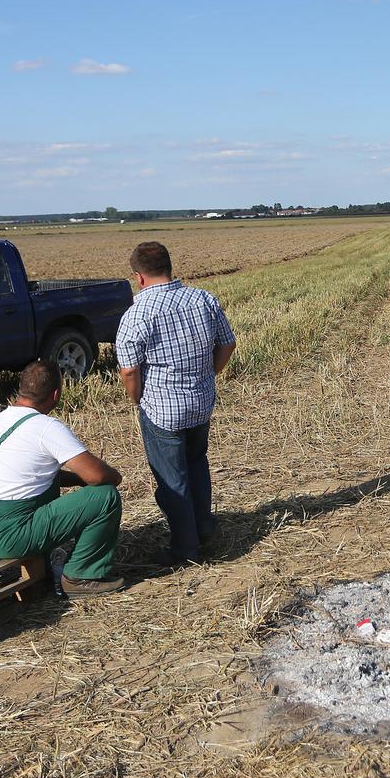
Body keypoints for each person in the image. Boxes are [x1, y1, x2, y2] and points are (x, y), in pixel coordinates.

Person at [116, 241, 236, 564]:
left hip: (162, 410)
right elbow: (228, 344)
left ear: (139, 277)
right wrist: (208, 374)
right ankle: (204, 527)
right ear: (169, 267)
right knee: (196, 463)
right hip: (201, 402)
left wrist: (137, 397)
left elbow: (129, 370)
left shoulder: (136, 314)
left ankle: (186, 548)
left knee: (173, 479)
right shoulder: (203, 299)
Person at [0, 360, 124, 598]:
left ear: (21, 389)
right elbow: (98, 475)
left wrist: (78, 480)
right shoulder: (45, 427)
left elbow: (31, 476)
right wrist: (112, 476)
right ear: (56, 394)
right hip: (10, 537)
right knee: (105, 497)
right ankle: (80, 576)